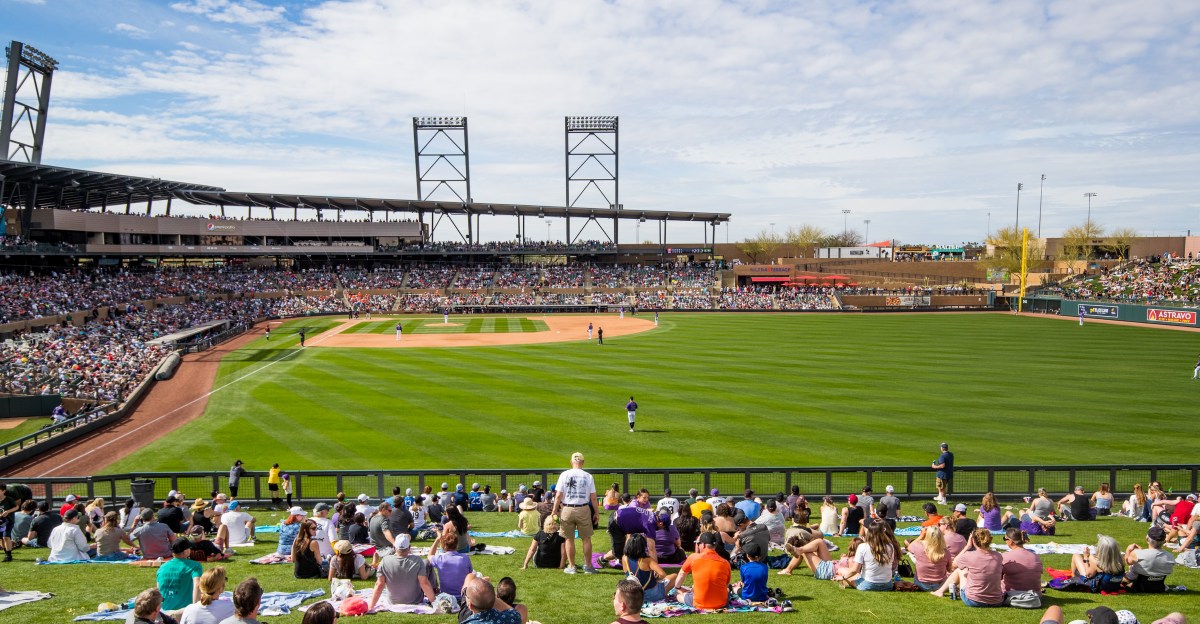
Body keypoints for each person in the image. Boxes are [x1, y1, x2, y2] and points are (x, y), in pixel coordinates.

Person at [550, 451, 599, 574]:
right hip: (583, 508)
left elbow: (558, 495)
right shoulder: (588, 476)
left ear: (572, 462)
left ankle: (572, 567)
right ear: (582, 462)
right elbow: (593, 497)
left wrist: (554, 510)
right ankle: (588, 566)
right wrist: (596, 512)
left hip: (567, 508)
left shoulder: (564, 474)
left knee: (569, 539)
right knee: (586, 539)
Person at [930, 528, 1004, 607]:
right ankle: (941, 591)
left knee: (960, 570)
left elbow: (954, 565)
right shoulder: (998, 556)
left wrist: (967, 546)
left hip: (974, 600)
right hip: (996, 601)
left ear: (973, 540)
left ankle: (940, 591)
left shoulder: (969, 556)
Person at [368, 533, 436, 609]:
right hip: (415, 600)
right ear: (409, 547)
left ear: (394, 547)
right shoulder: (417, 561)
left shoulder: (385, 561)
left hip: (393, 601)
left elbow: (379, 585)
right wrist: (435, 602)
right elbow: (424, 583)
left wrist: (371, 606)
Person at [671, 532, 731, 609]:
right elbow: (725, 584)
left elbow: (681, 575)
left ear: (703, 545)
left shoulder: (693, 558)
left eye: (698, 544)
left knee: (678, 594)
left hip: (699, 603)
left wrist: (678, 588)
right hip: (721, 603)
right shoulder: (725, 563)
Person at [833, 522, 896, 591]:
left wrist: (843, 577)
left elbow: (855, 570)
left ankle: (842, 579)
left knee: (841, 570)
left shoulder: (863, 547)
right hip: (887, 585)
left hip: (868, 584)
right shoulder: (890, 546)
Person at [623, 533, 675, 603]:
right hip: (651, 595)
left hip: (634, 595)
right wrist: (656, 579)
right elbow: (663, 575)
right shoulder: (647, 560)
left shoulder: (624, 558)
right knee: (674, 576)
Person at [1123, 525, 1174, 593]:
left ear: (1147, 539)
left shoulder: (1137, 553)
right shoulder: (1170, 556)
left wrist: (1128, 551)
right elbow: (1153, 558)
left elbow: (1128, 562)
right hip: (1159, 586)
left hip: (1138, 586)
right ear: (1164, 540)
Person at [158, 538, 203, 613]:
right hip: (184, 610)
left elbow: (159, 590)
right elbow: (197, 585)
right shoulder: (195, 565)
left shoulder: (162, 567)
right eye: (189, 548)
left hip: (165, 610)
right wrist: (195, 609)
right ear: (185, 552)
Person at [1000, 529, 1043, 603]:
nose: (1005, 541)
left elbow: (997, 577)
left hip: (1012, 594)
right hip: (1035, 594)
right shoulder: (1035, 556)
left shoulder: (1005, 557)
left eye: (1005, 539)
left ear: (1010, 541)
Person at [906, 523, 951, 591]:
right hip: (940, 585)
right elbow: (949, 569)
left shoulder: (919, 547)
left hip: (921, 584)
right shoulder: (945, 551)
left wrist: (921, 536)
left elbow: (909, 547)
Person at [428, 531, 473, 596]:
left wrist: (437, 539)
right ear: (457, 544)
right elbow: (470, 573)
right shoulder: (465, 558)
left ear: (443, 545)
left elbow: (429, 555)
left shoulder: (439, 559)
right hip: (462, 595)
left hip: (445, 595)